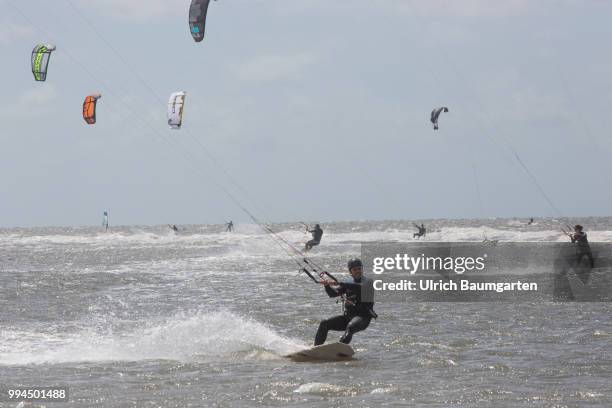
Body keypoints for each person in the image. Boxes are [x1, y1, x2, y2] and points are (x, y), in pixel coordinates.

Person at [314, 258, 376, 346]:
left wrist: (339, 283)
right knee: (324, 323)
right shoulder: (347, 282)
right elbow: (333, 294)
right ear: (350, 272)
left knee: (350, 327)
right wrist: (327, 286)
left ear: (362, 269)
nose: (358, 271)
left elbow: (359, 287)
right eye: (355, 269)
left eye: (359, 268)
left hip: (363, 317)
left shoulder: (368, 282)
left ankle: (338, 351)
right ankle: (316, 349)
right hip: (348, 317)